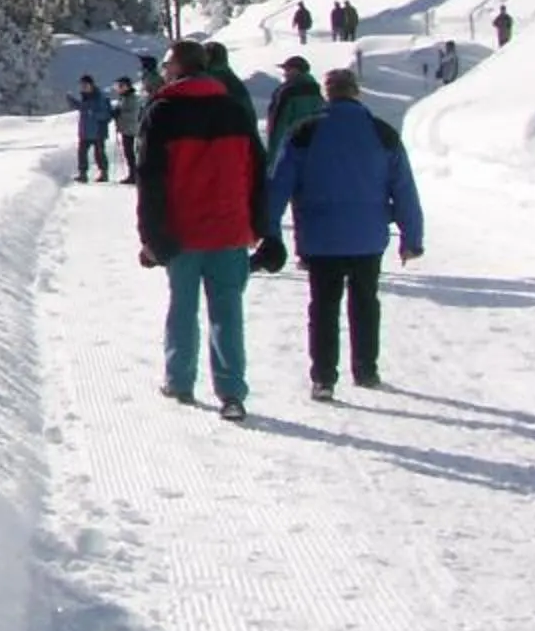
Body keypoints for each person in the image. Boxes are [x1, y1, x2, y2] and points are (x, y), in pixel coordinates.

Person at [265, 65, 424, 398]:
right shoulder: (382, 133)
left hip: (320, 237)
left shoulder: (304, 131)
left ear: (328, 93)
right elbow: (405, 189)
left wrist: (269, 230)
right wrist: (412, 238)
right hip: (368, 236)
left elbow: (279, 184)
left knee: (323, 305)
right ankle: (366, 368)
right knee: (365, 301)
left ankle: (323, 377)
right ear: (356, 92)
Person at [137, 38, 272, 419]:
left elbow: (151, 180)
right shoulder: (233, 108)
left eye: (167, 65)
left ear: (177, 68)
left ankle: (179, 379)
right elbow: (257, 170)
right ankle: (231, 392)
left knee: (182, 307)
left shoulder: (162, 111)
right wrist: (260, 223)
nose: (164, 71)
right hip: (230, 230)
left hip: (182, 232)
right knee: (227, 312)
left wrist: (151, 237)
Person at [264, 54, 324, 149]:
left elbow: (281, 123)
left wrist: (274, 153)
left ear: (296, 70)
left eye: (287, 70)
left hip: (289, 147)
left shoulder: (288, 92)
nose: (285, 73)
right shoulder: (316, 91)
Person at [71, 74, 115, 181]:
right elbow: (83, 108)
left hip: (98, 130)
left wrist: (93, 114)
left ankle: (104, 173)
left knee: (99, 153)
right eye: (81, 85)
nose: (83, 87)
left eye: (85, 85)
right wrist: (73, 103)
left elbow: (106, 114)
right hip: (86, 130)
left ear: (91, 85)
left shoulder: (100, 96)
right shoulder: (85, 96)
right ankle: (83, 174)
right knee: (82, 152)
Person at [110, 75, 144, 183]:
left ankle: (134, 175)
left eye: (121, 86)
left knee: (131, 153)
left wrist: (119, 114)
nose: (119, 89)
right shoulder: (124, 98)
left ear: (128, 86)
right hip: (126, 129)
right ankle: (132, 174)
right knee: (128, 153)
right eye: (117, 86)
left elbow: (133, 114)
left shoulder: (132, 98)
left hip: (132, 130)